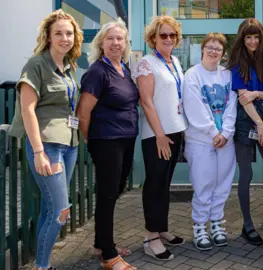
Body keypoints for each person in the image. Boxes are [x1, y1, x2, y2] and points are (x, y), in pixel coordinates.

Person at [8, 9, 83, 270]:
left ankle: (42, 263)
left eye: (69, 33)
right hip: (47, 145)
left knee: (51, 210)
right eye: (59, 33)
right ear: (48, 37)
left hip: (69, 145)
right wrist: (39, 152)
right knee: (61, 211)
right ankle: (43, 266)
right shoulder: (36, 64)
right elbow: (28, 109)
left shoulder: (68, 66)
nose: (65, 38)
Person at [77, 19, 138, 270]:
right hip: (106, 142)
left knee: (113, 193)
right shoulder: (97, 71)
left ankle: (99, 244)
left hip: (125, 139)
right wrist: (92, 142)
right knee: (107, 195)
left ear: (125, 44)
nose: (115, 43)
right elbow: (83, 113)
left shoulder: (123, 67)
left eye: (120, 39)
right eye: (110, 38)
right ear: (101, 42)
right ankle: (109, 256)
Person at [132, 15, 187, 260]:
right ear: (153, 38)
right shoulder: (146, 63)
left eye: (172, 35)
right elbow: (146, 101)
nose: (167, 39)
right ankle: (150, 236)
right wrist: (160, 135)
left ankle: (161, 228)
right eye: (162, 35)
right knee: (155, 184)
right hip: (157, 134)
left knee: (165, 183)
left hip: (175, 129)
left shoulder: (174, 60)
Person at [226, 18, 263, 245]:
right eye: (248, 37)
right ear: (242, 38)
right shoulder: (237, 63)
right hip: (245, 123)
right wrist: (259, 124)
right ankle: (247, 226)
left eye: (256, 36)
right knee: (246, 175)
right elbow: (242, 98)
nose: (253, 41)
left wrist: (257, 94)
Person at [183, 33, 237, 251]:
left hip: (225, 139)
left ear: (223, 53)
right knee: (203, 184)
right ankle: (199, 226)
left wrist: (226, 132)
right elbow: (194, 107)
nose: (214, 51)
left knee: (222, 184)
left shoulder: (227, 75)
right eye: (210, 47)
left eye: (218, 49)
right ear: (202, 49)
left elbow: (232, 104)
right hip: (200, 139)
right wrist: (213, 132)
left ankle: (216, 223)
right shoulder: (192, 75)